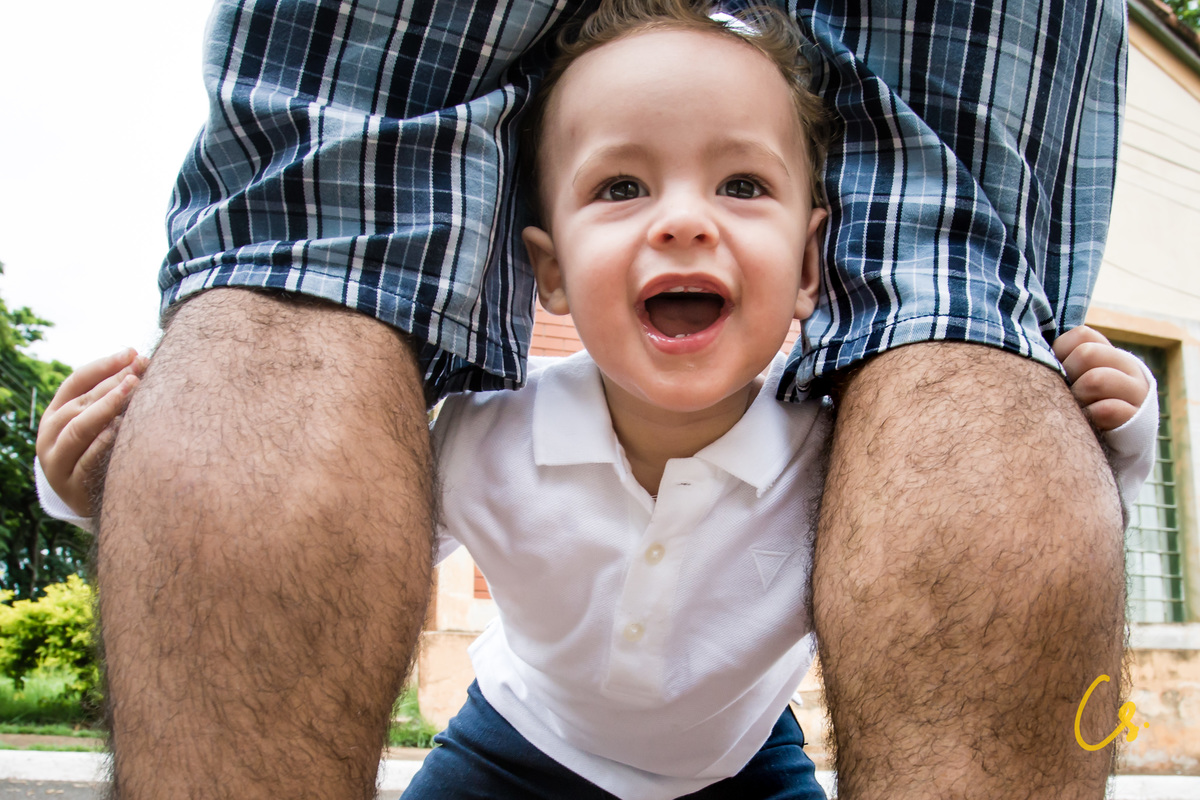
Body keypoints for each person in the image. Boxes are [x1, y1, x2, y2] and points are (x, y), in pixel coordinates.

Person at [41, 6, 1149, 798]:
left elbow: (1014, 519)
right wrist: (92, 484)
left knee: (975, 374)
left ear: (815, 265)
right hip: (516, 743)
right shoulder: (492, 436)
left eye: (743, 185)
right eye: (622, 187)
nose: (682, 220)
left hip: (740, 764)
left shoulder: (857, 456)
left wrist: (1110, 422)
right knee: (959, 296)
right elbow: (301, 533)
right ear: (549, 272)